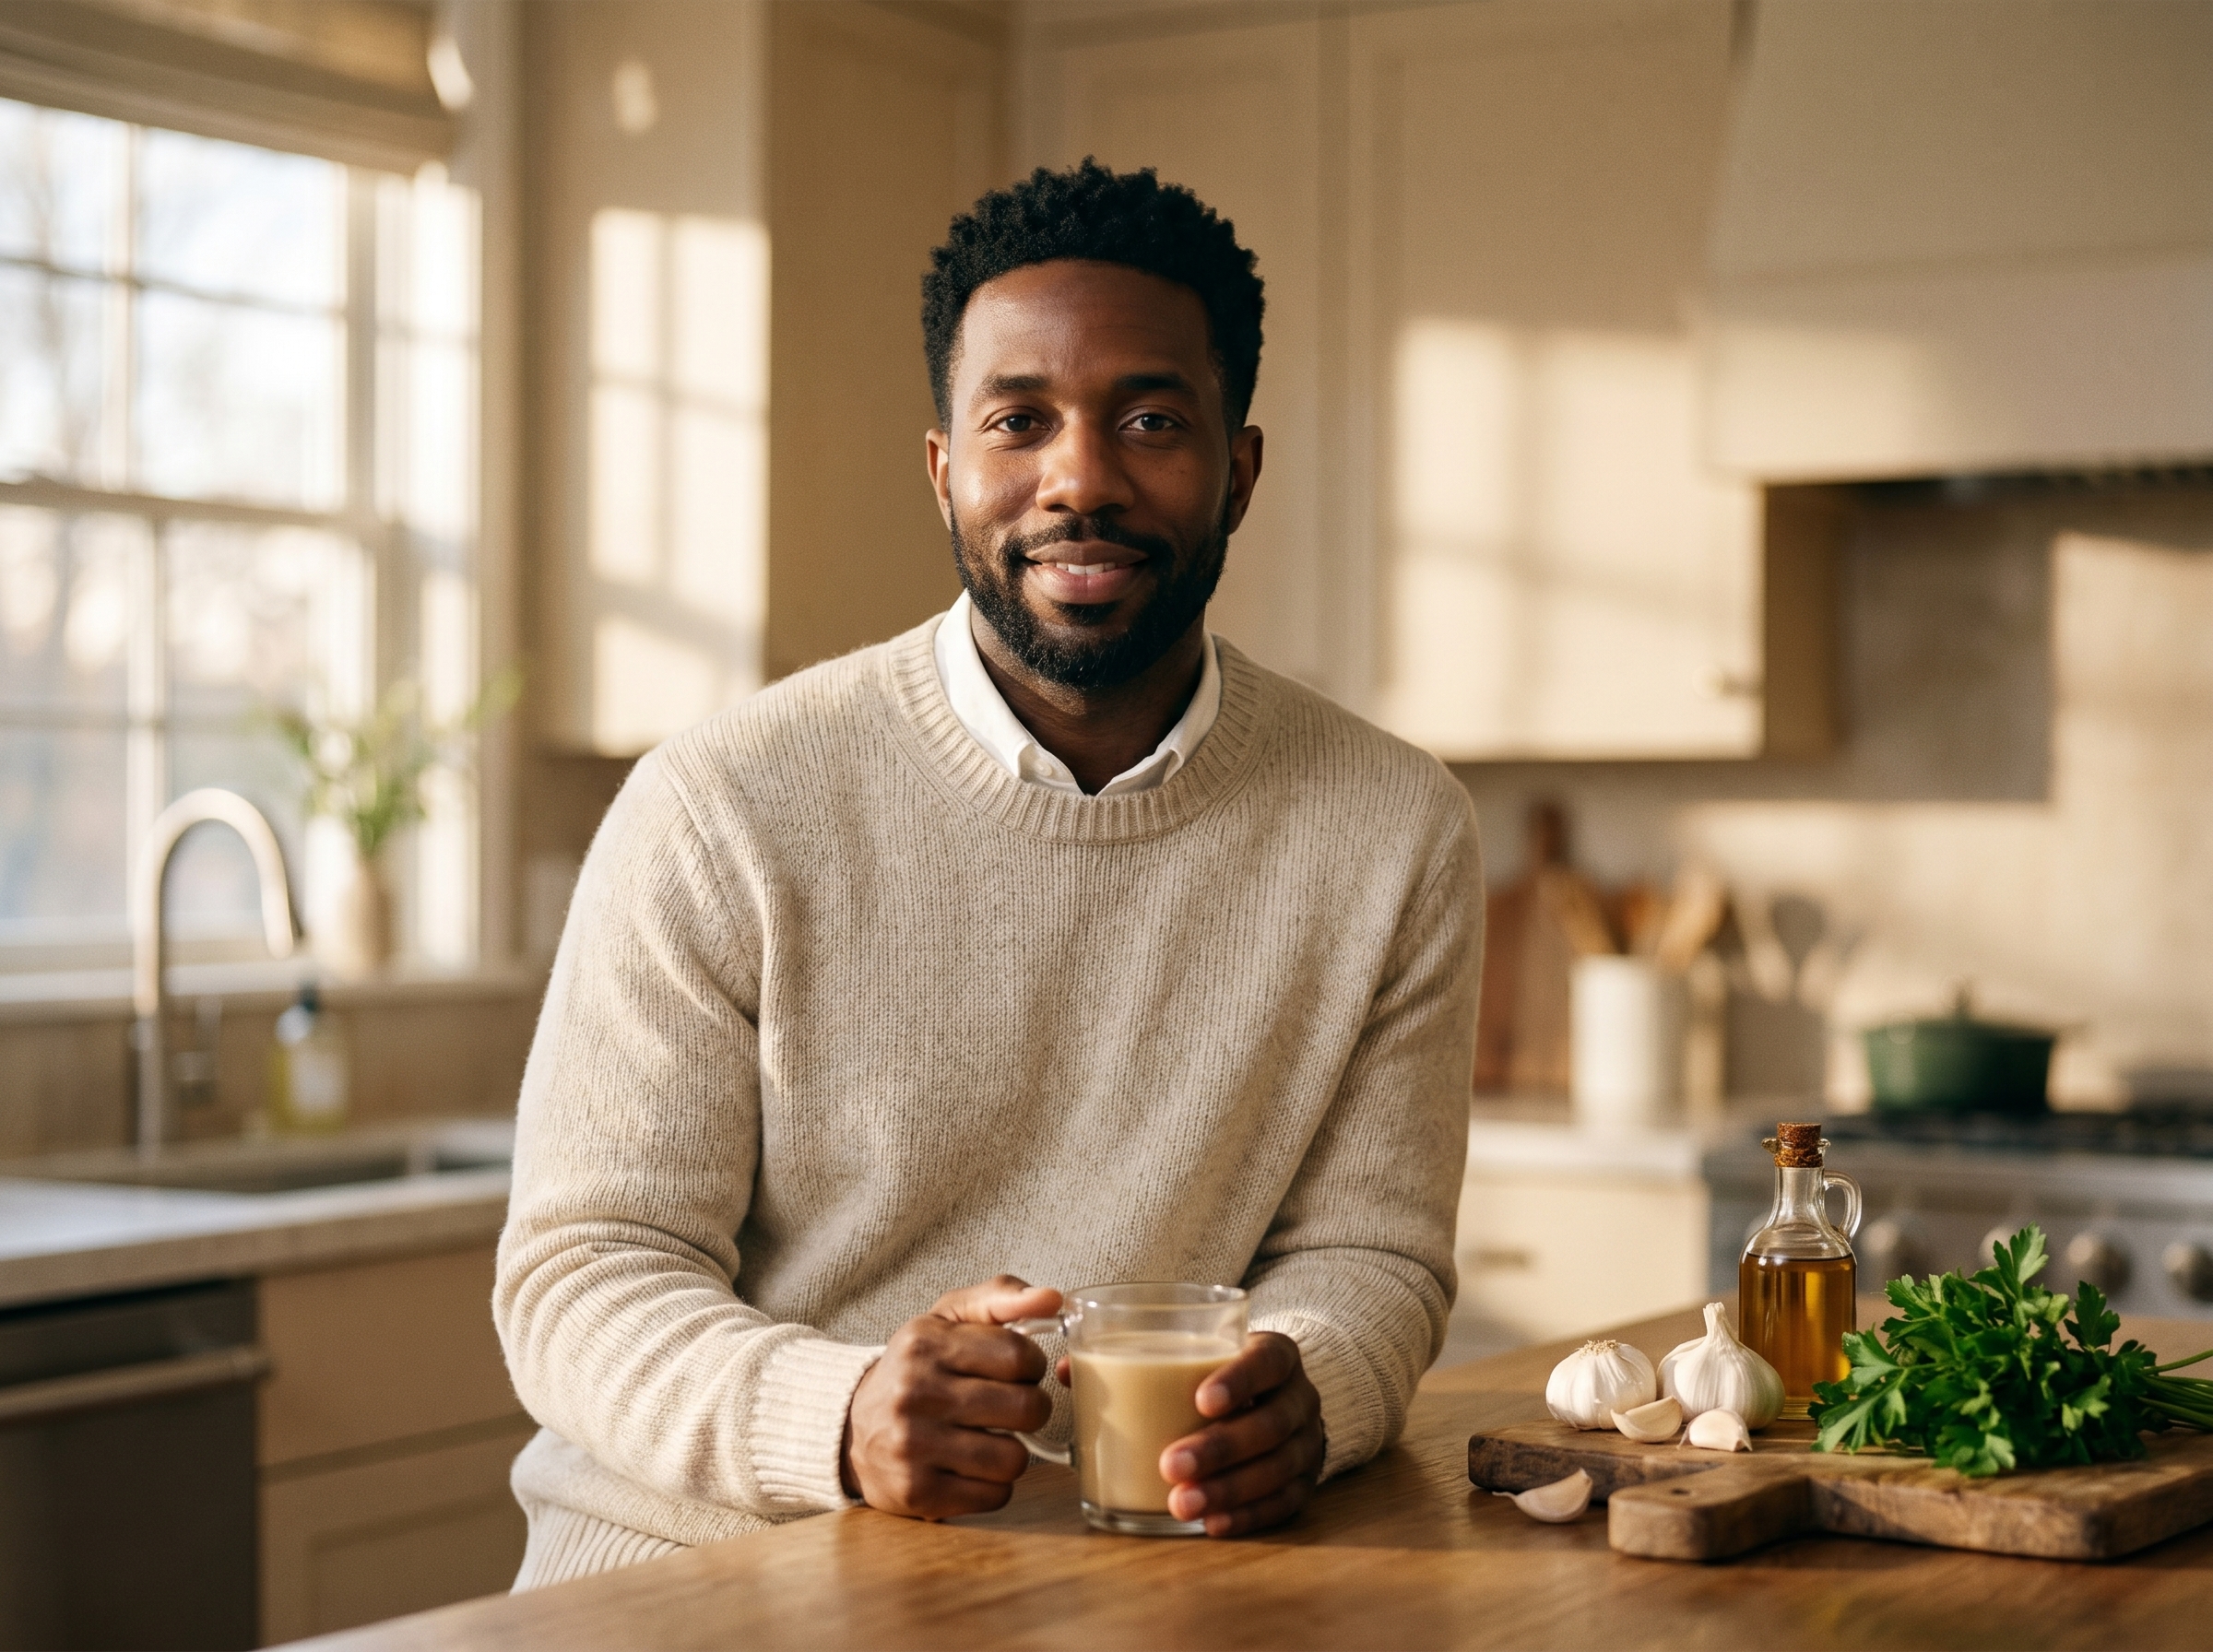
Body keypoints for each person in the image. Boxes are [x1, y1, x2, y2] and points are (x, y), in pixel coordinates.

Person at [495, 159, 1484, 1588]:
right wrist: (837, 1417)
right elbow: (578, 1279)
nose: (1081, 480)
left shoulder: (1394, 829)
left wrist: (1309, 1387)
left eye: (1150, 420)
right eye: (1020, 421)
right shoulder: (720, 805)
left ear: (1239, 469)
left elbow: (1376, 1260)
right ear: (945, 466)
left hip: (1133, 1581)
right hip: (688, 1574)